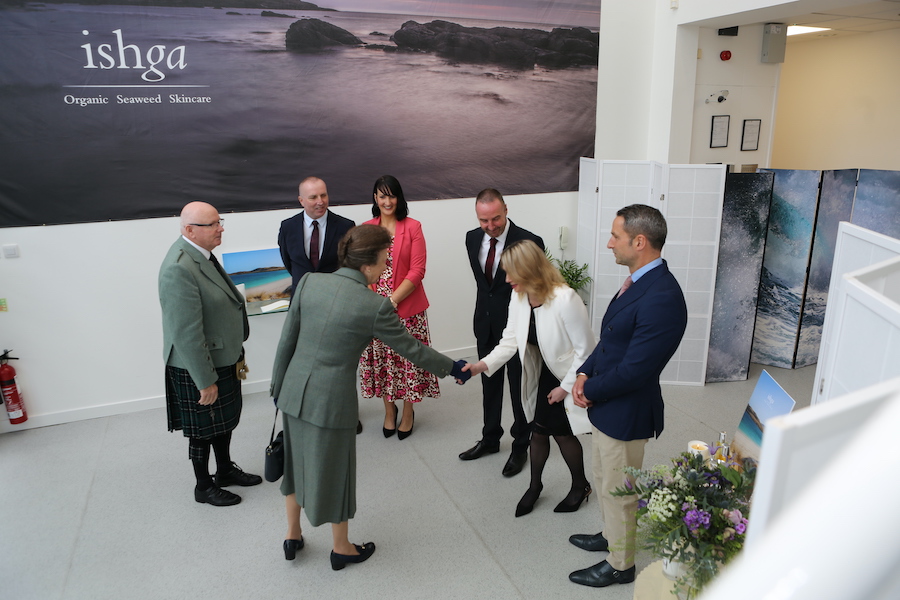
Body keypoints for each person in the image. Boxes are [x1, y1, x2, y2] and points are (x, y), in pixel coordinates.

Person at [270, 224, 470, 570]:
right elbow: (412, 350)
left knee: (294, 464)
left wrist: (277, 389)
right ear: (366, 266)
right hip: (331, 402)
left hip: (293, 391)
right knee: (336, 474)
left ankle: (292, 535)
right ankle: (341, 548)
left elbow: (287, 341)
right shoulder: (374, 306)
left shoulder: (309, 283)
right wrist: (454, 367)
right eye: (383, 261)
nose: (385, 268)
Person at [567, 204, 688, 588]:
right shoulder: (637, 281)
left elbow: (637, 370)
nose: (608, 243)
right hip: (608, 405)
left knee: (620, 490)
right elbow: (611, 341)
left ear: (639, 241)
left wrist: (589, 388)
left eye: (615, 236)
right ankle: (611, 536)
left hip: (628, 410)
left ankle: (621, 566)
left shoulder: (662, 296)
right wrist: (585, 370)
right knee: (604, 478)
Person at [463, 240, 596, 517]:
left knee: (561, 433)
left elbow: (587, 351)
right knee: (538, 430)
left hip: (565, 374)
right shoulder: (519, 295)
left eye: (513, 273)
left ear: (531, 270)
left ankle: (580, 486)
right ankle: (535, 487)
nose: (508, 279)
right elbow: (510, 340)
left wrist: (565, 387)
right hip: (538, 369)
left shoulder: (565, 299)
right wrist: (481, 366)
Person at [159, 201, 262, 507]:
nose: (221, 228)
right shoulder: (179, 267)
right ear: (189, 230)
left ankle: (225, 470)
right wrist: (205, 381)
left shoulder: (200, 255)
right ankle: (203, 486)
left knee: (223, 422)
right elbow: (187, 334)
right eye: (213, 224)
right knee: (202, 431)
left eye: (220, 221)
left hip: (220, 357)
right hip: (199, 366)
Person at [461, 188, 544, 478]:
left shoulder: (530, 241)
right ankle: (490, 438)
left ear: (506, 210)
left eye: (496, 218)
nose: (491, 226)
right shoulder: (472, 238)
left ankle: (521, 445)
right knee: (489, 384)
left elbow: (538, 289)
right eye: (484, 220)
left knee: (519, 389)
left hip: (519, 329)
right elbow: (486, 288)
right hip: (485, 324)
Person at [277, 176, 361, 433]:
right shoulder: (288, 226)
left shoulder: (346, 226)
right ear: (301, 200)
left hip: (337, 302)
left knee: (341, 364)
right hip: (302, 305)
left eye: (323, 195)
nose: (320, 201)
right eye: (313, 197)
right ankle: (311, 411)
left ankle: (347, 414)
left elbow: (350, 265)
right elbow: (290, 263)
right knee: (304, 361)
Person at [359, 175, 438, 440]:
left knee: (407, 363)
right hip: (375, 311)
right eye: (382, 196)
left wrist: (392, 301)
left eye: (391, 195)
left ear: (399, 197)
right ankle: (388, 411)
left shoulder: (413, 227)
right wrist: (376, 302)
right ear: (375, 199)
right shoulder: (367, 228)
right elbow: (364, 269)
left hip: (407, 309)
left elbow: (417, 271)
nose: (387, 201)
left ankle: (407, 412)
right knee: (382, 363)